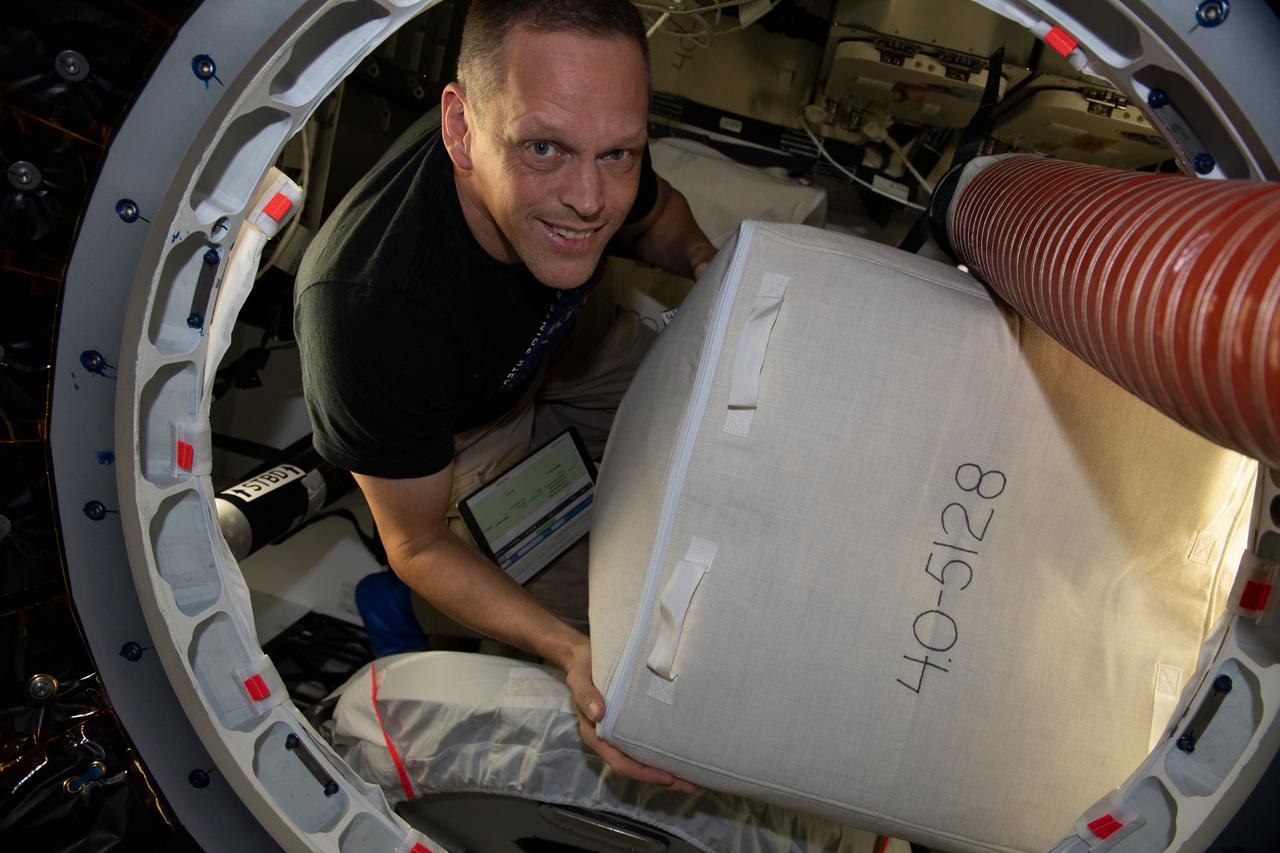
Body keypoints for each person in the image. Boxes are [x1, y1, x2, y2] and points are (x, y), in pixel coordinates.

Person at [294, 0, 715, 792]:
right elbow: (416, 540)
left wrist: (707, 265)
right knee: (622, 626)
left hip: (576, 335)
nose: (589, 199)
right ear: (460, 129)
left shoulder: (587, 139)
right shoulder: (370, 309)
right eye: (543, 148)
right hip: (468, 426)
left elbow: (659, 220)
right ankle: (413, 613)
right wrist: (568, 651)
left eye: (619, 153)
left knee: (719, 434)